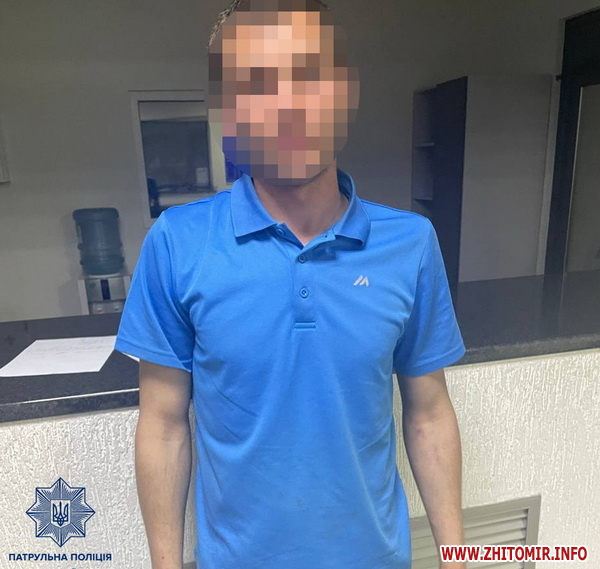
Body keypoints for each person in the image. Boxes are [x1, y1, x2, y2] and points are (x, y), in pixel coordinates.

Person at [114, 1, 468, 568]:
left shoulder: (411, 243)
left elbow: (427, 414)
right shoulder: (178, 242)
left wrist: (458, 557)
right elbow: (162, 424)